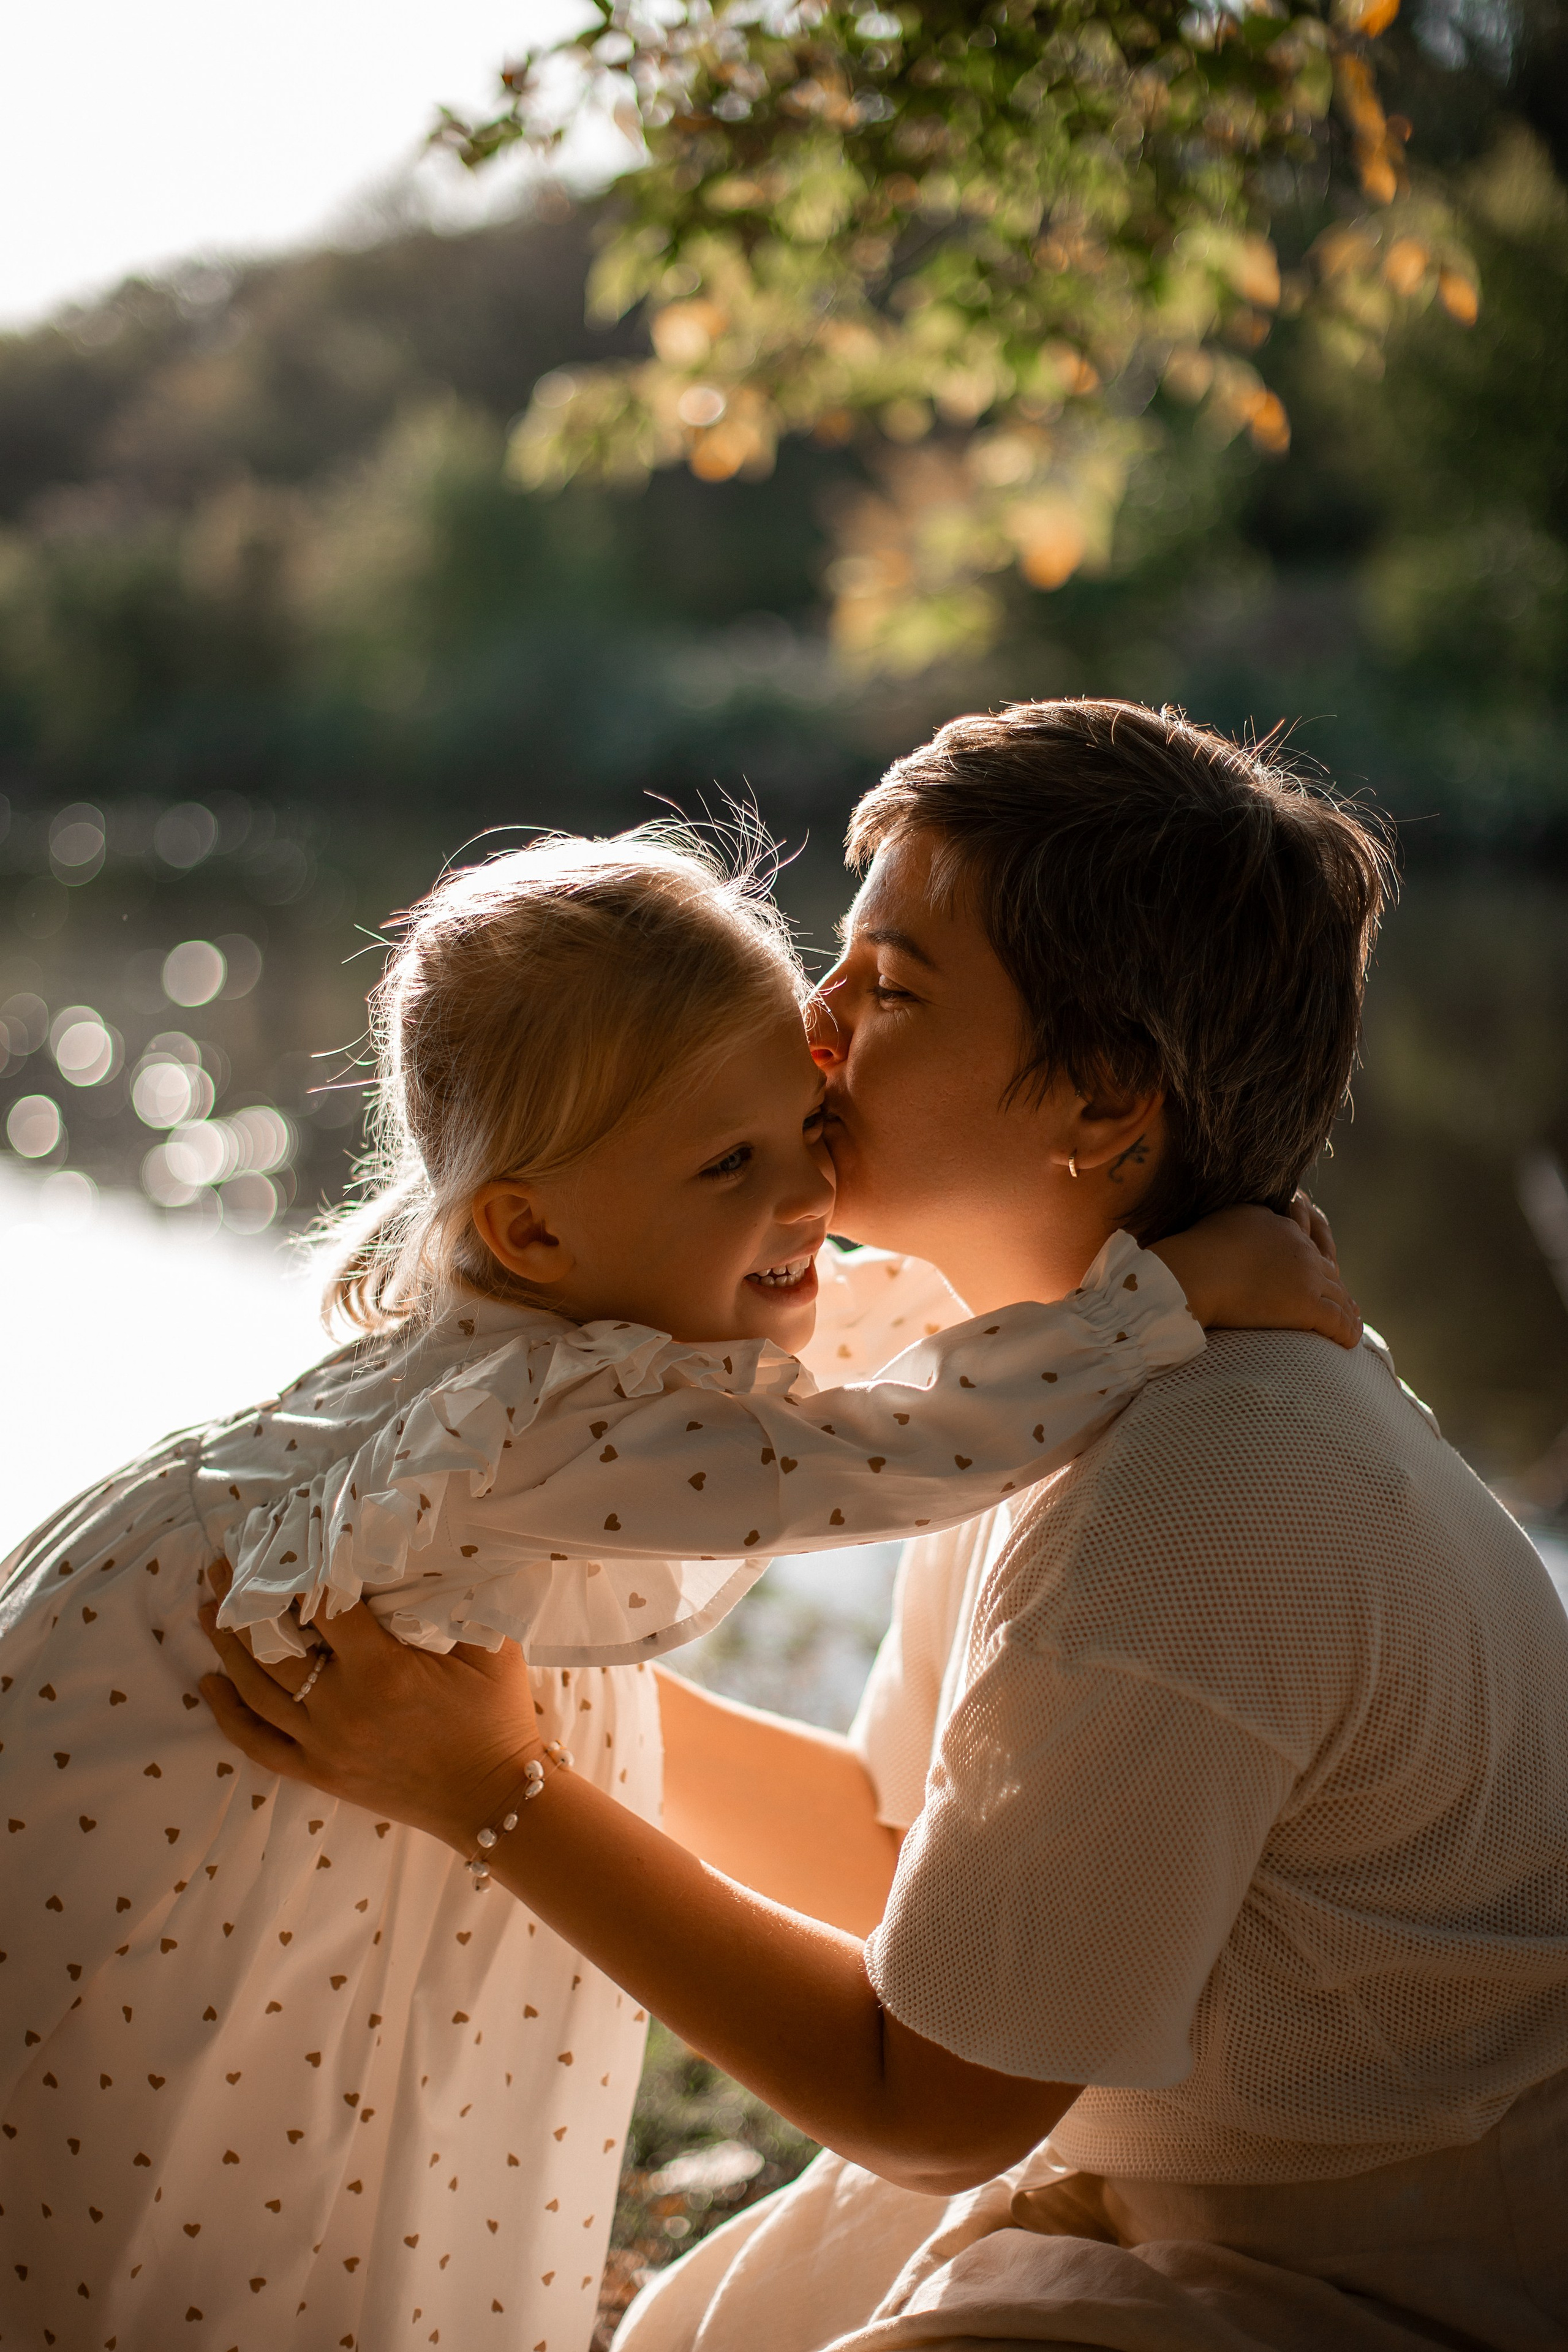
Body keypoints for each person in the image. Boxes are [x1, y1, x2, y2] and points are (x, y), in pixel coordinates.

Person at [198, 701, 1568, 2352]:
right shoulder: (1043, 1381)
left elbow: (931, 2099)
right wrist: (511, 1672)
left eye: (892, 990)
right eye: (833, 963)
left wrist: (499, 1795)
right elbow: (888, 1846)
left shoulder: (1207, 1487)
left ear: (1105, 1100)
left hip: (1386, 2279)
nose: (810, 1026)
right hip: (1175, 2189)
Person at [0, 824, 1341, 2351]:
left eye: (806, 1135)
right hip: (186, 1810)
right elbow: (889, 1448)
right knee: (215, 2159)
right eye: (731, 1163)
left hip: (167, 1712)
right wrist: (1152, 1303)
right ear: (528, 1222)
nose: (805, 1197)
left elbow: (845, 1342)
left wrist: (1025, 1285)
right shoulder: (540, 1427)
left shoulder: (553, 1329)